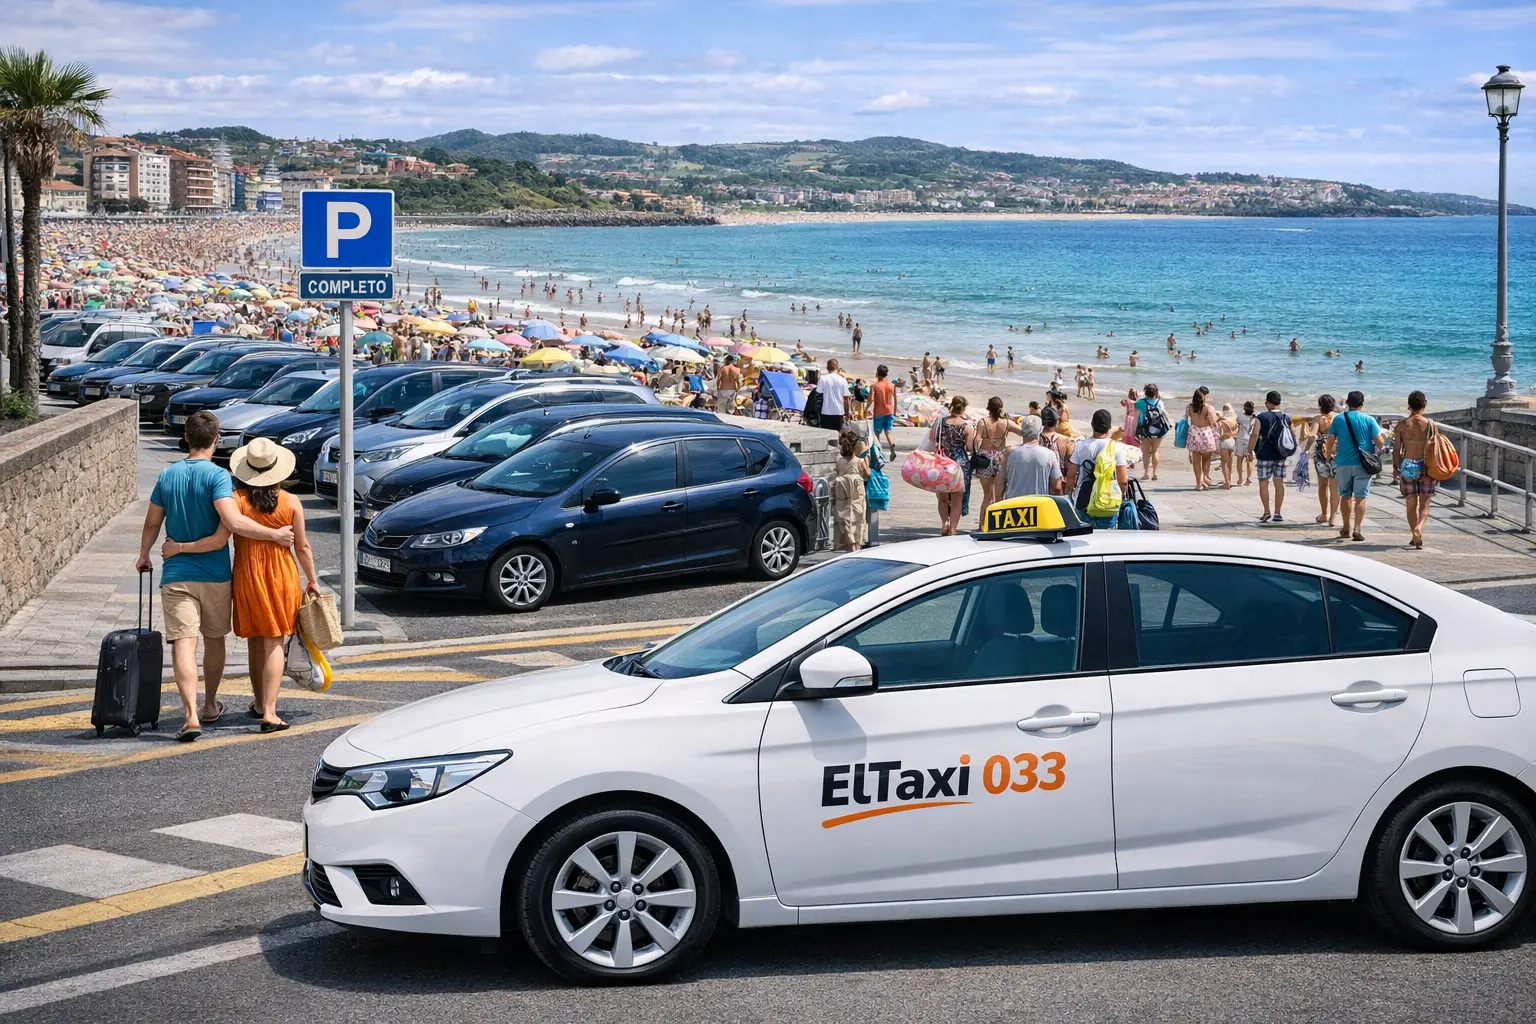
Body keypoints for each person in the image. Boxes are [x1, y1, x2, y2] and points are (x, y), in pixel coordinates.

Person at [136, 411, 295, 742]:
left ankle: (190, 715)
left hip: (177, 576)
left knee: (183, 643)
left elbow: (152, 523)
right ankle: (209, 704)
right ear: (216, 439)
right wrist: (275, 536)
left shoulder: (167, 476)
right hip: (215, 575)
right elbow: (232, 526)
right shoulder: (219, 477)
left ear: (186, 437)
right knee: (213, 641)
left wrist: (144, 555)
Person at [166, 437, 319, 732]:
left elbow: (221, 538)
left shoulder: (237, 501)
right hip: (281, 576)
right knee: (275, 641)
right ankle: (269, 711)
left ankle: (259, 701)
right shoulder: (291, 502)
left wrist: (180, 547)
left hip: (247, 576)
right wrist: (312, 580)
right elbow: (303, 547)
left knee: (254, 640)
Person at [1066, 409, 1130, 527]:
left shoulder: (1080, 446)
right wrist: (1119, 496)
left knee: (1084, 538)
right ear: (1109, 426)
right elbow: (1123, 481)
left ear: (1092, 424)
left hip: (1084, 500)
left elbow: (1070, 476)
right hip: (1108, 502)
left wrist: (1077, 488)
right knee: (1106, 540)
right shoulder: (1116, 448)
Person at [1394, 390, 1436, 549]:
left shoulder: (1402, 425)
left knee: (1411, 504)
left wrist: (1395, 467)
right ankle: (1419, 528)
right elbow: (1434, 448)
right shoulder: (1430, 425)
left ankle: (1414, 534)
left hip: (1408, 466)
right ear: (1424, 405)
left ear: (1409, 406)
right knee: (1424, 504)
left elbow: (1397, 449)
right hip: (1425, 467)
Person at [974, 396, 1024, 526]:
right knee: (999, 496)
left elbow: (977, 440)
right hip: (1000, 458)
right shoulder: (1006, 423)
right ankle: (997, 524)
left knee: (987, 496)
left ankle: (981, 525)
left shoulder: (982, 422)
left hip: (984, 459)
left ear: (988, 408)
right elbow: (1024, 432)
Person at [1249, 390, 1292, 523]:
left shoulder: (1261, 417)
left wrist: (1249, 450)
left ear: (1267, 403)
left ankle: (1266, 511)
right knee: (1279, 483)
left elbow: (1255, 434)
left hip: (1264, 455)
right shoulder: (1286, 417)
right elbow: (1291, 434)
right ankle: (1278, 513)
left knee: (1263, 483)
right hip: (1281, 454)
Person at [934, 396, 974, 536]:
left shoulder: (941, 422)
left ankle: (944, 523)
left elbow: (933, 438)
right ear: (963, 408)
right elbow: (969, 448)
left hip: (942, 462)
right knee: (957, 500)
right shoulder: (967, 426)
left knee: (943, 498)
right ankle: (953, 530)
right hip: (959, 465)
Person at [1002, 415, 1063, 498]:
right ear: (1040, 430)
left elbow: (1000, 485)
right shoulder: (1049, 455)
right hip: (1038, 505)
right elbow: (1057, 486)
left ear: (1022, 430)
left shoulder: (1009, 454)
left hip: (1013, 505)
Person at [831, 430, 869, 551]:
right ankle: (855, 544)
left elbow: (836, 472)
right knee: (858, 517)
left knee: (844, 516)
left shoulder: (839, 460)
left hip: (841, 490)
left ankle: (846, 542)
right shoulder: (860, 461)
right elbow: (868, 474)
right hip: (856, 491)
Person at [1184, 389, 1221, 491]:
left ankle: (1198, 483)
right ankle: (1205, 477)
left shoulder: (1189, 407)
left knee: (1196, 461)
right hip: (1206, 434)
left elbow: (1185, 418)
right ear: (1204, 397)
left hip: (1194, 433)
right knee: (1207, 459)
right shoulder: (1209, 408)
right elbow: (1213, 422)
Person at [1312, 394, 1340, 527]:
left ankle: (1324, 514)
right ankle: (1333, 517)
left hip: (1321, 454)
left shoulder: (1318, 418)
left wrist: (1306, 449)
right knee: (1334, 486)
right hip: (1336, 452)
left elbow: (1312, 435)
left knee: (1322, 485)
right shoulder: (1338, 418)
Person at [1133, 384, 1166, 481]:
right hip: (1158, 430)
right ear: (1156, 392)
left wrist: (1134, 430)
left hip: (1144, 430)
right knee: (1155, 451)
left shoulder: (1140, 402)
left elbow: (1136, 417)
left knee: (1146, 453)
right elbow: (1162, 414)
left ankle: (1146, 473)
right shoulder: (1160, 402)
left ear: (1145, 392)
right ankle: (1155, 473)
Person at [871, 364, 897, 459]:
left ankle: (878, 454)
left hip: (878, 412)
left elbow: (870, 399)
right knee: (888, 431)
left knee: (877, 433)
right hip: (889, 411)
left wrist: (866, 409)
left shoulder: (874, 386)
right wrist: (894, 411)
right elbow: (895, 399)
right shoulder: (892, 385)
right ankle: (892, 445)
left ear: (877, 373)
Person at [816, 358, 849, 432]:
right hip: (838, 412)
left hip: (825, 411)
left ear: (827, 367)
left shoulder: (823, 379)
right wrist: (847, 412)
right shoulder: (843, 380)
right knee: (837, 435)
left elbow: (819, 393)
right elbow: (846, 399)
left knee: (826, 434)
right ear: (837, 367)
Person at [1235, 400, 1257, 486]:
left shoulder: (1240, 416)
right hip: (1250, 440)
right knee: (1250, 460)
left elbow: (1236, 422)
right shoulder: (1255, 418)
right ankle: (1249, 478)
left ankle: (1240, 478)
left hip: (1241, 439)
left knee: (1239, 459)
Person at [1217, 403, 1238, 489]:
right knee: (1230, 463)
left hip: (1225, 441)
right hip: (1232, 441)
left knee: (1224, 463)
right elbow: (1236, 432)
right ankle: (1229, 480)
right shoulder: (1234, 420)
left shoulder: (1222, 421)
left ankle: (1227, 482)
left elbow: (1220, 433)